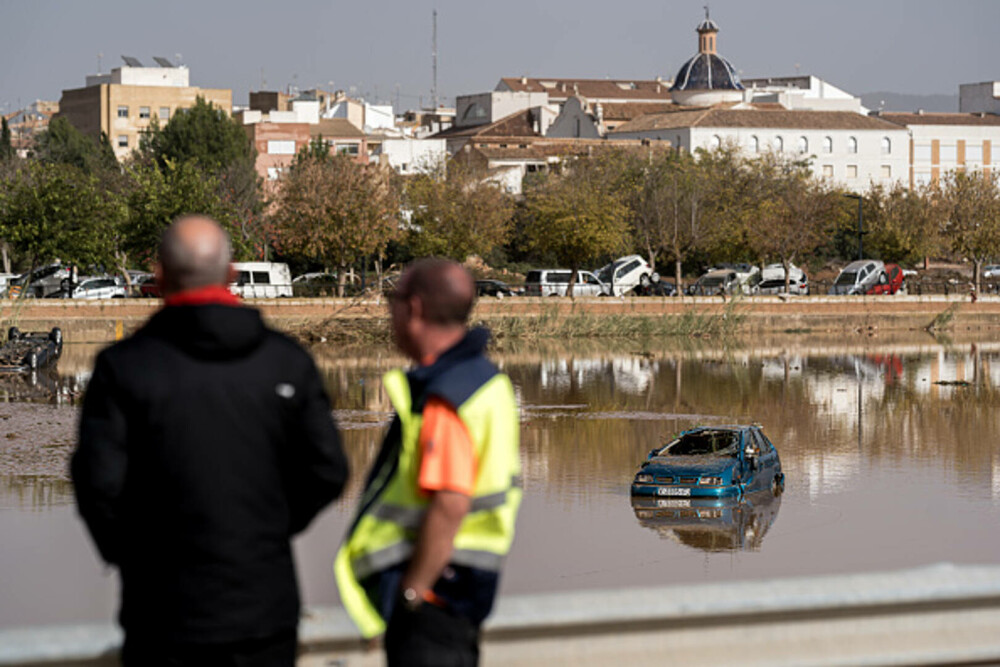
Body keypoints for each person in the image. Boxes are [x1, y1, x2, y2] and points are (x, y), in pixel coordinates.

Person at [72, 215, 348, 667]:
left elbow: (97, 484)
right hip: (263, 611)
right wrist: (266, 529)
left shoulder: (124, 369)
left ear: (159, 276)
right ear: (233, 274)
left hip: (161, 613)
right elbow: (328, 471)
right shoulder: (285, 362)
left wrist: (137, 556)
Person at [335, 258, 522, 666]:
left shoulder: (447, 393)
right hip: (462, 589)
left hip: (434, 600)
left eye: (393, 300)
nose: (390, 311)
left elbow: (450, 501)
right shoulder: (485, 380)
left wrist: (411, 592)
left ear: (414, 309)